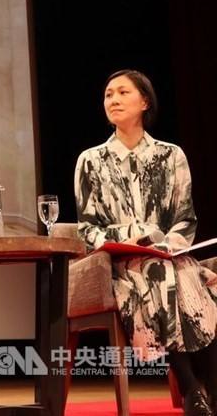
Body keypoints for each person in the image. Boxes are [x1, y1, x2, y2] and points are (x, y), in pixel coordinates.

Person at [75, 69, 217, 416]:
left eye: (123, 92)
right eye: (109, 94)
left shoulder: (172, 156)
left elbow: (186, 217)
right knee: (162, 273)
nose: (114, 100)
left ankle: (203, 390)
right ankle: (191, 386)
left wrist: (166, 244)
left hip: (170, 256)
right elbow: (87, 227)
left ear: (144, 102)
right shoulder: (90, 161)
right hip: (120, 265)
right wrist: (128, 238)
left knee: (192, 277)